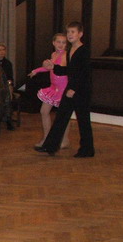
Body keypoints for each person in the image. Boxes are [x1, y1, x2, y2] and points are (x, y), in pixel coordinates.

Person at [36, 22, 94, 158]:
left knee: (83, 120)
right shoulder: (71, 50)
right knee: (61, 117)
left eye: (73, 32)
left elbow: (85, 73)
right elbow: (70, 70)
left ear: (80, 34)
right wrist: (54, 67)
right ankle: (50, 146)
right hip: (71, 88)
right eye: (68, 32)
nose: (69, 34)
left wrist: (73, 88)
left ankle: (87, 150)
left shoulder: (84, 51)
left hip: (81, 91)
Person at [29, 34, 71, 149]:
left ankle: (65, 139)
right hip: (53, 88)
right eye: (58, 42)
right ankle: (46, 138)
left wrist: (48, 65)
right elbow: (49, 67)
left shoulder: (65, 55)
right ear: (53, 43)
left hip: (63, 89)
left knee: (63, 115)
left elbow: (58, 68)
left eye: (63, 42)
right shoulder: (53, 54)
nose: (61, 45)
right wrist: (36, 71)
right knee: (44, 111)